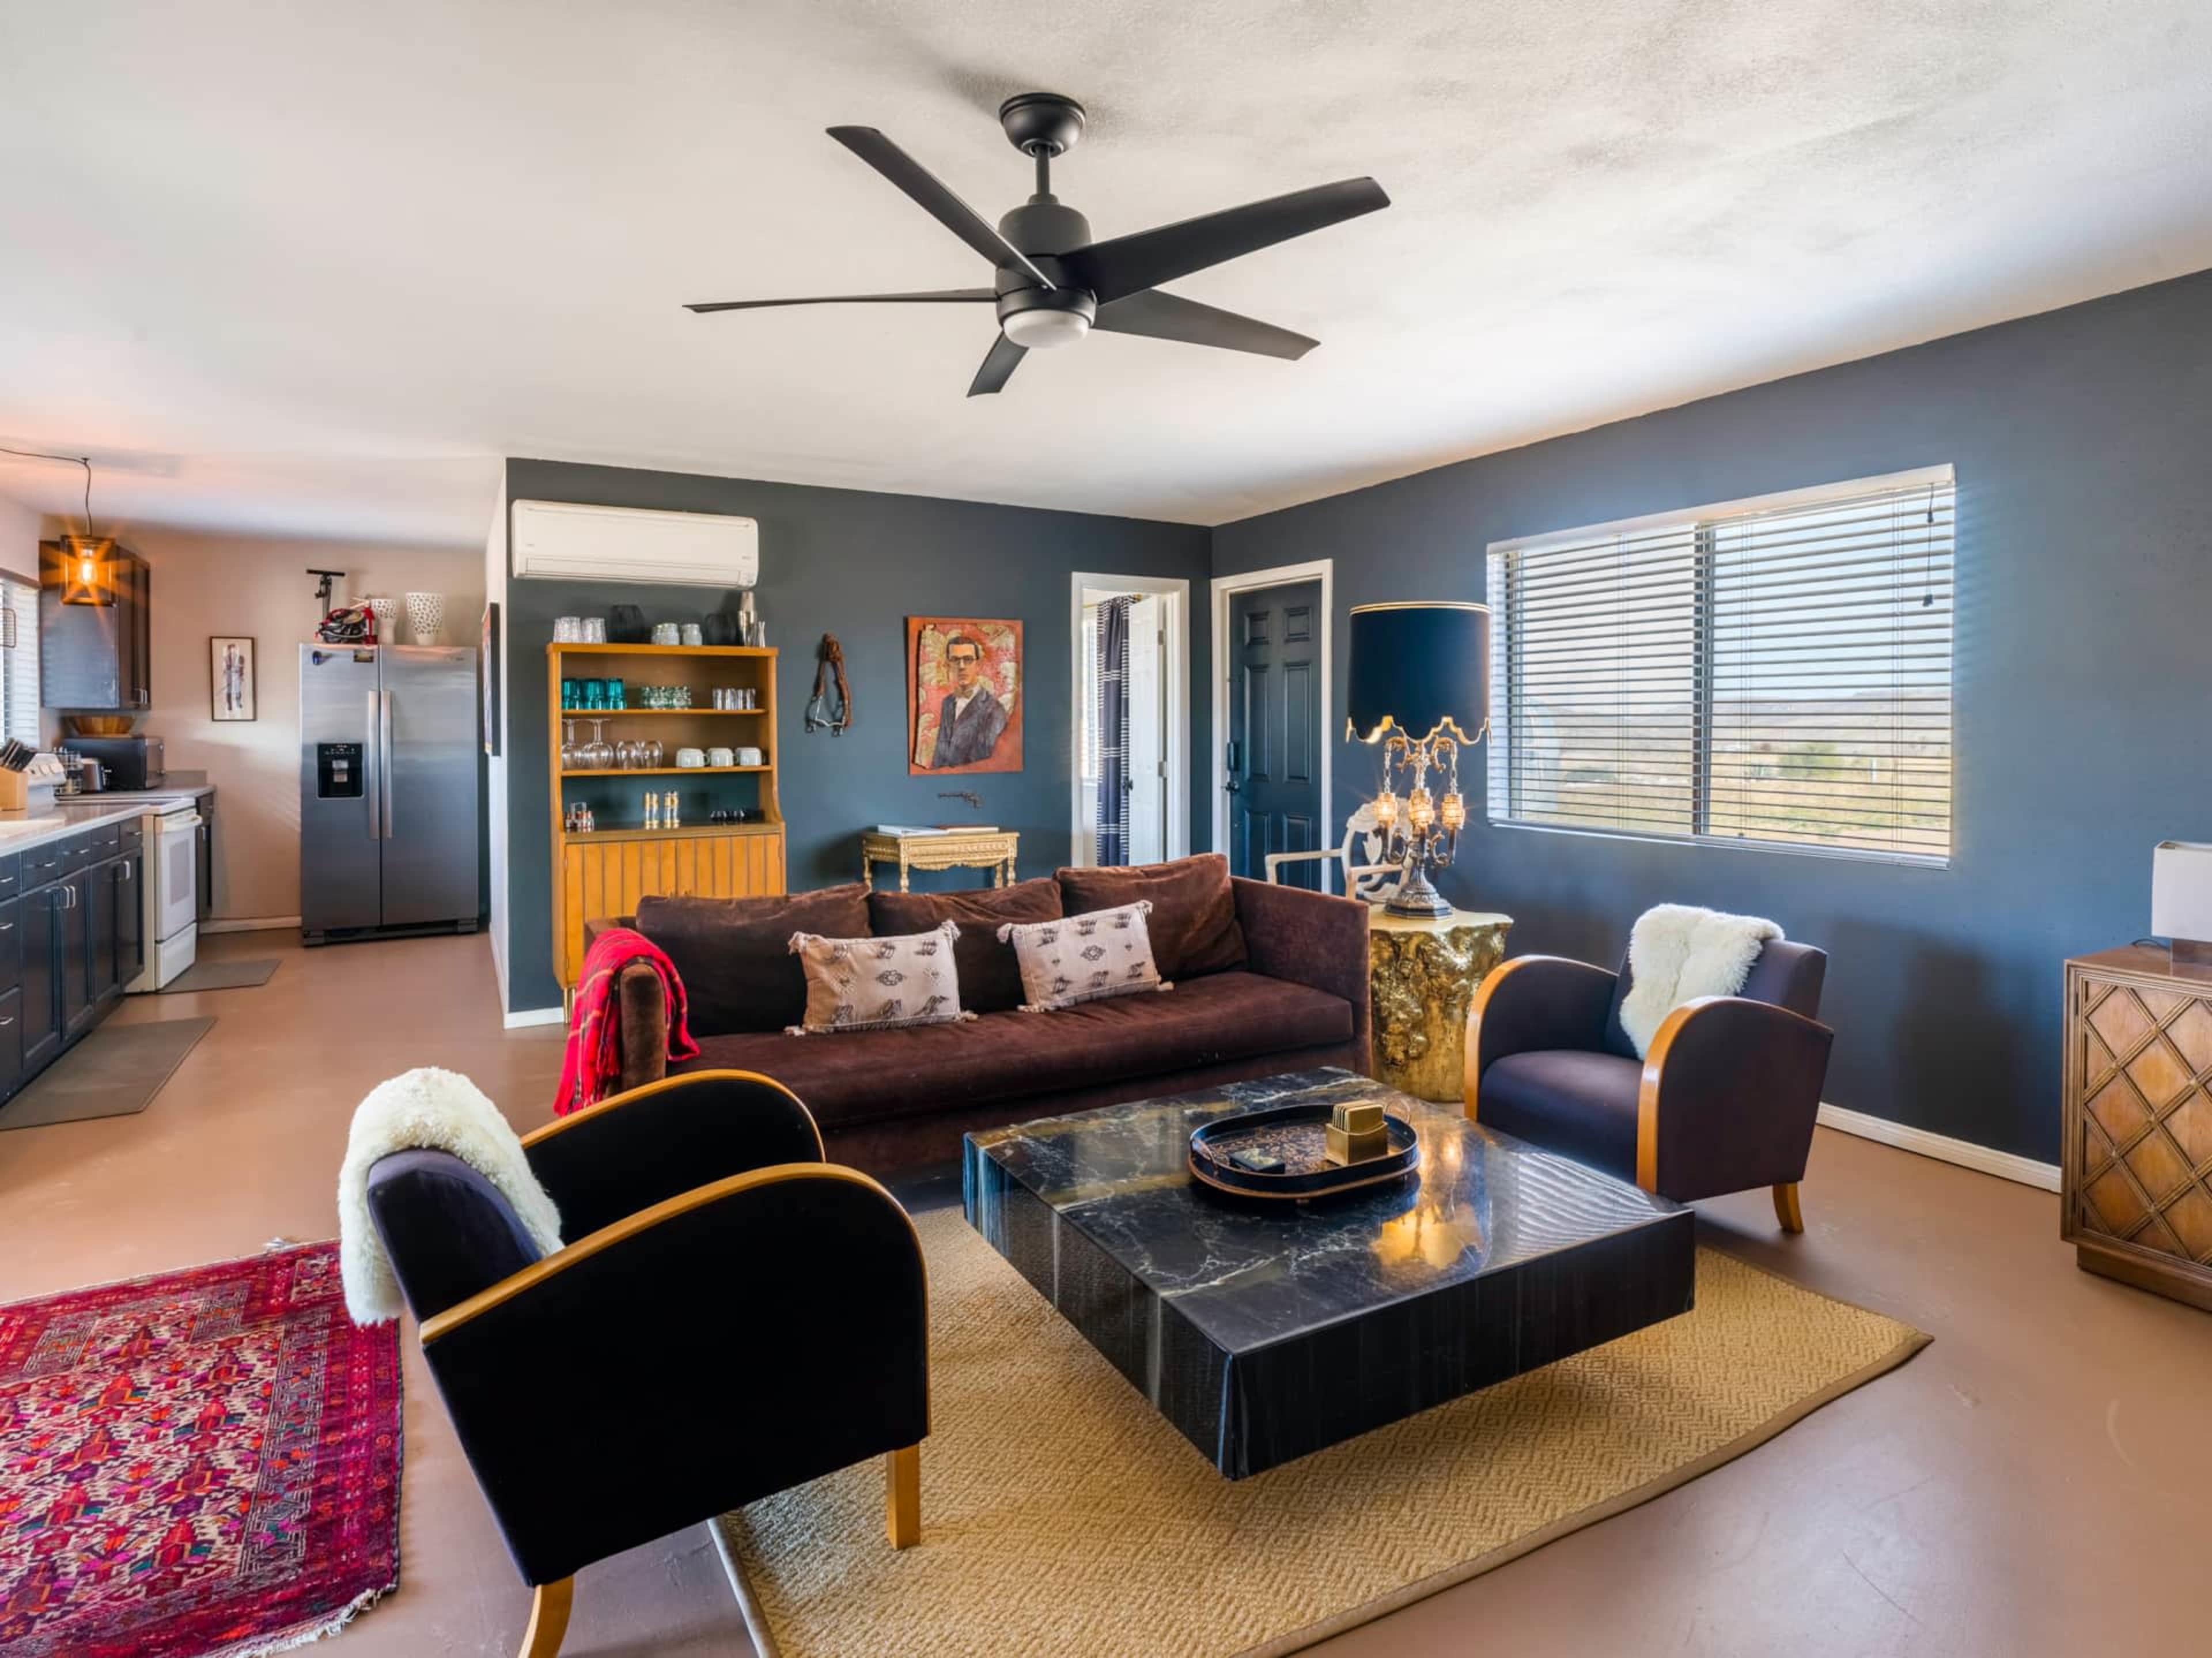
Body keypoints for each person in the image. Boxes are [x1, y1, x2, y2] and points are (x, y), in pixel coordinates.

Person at [929, 633, 1007, 767]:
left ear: (979, 665)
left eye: (968, 659)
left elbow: (985, 762)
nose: (962, 666)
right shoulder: (947, 703)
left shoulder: (994, 710)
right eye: (955, 660)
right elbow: (939, 756)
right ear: (948, 666)